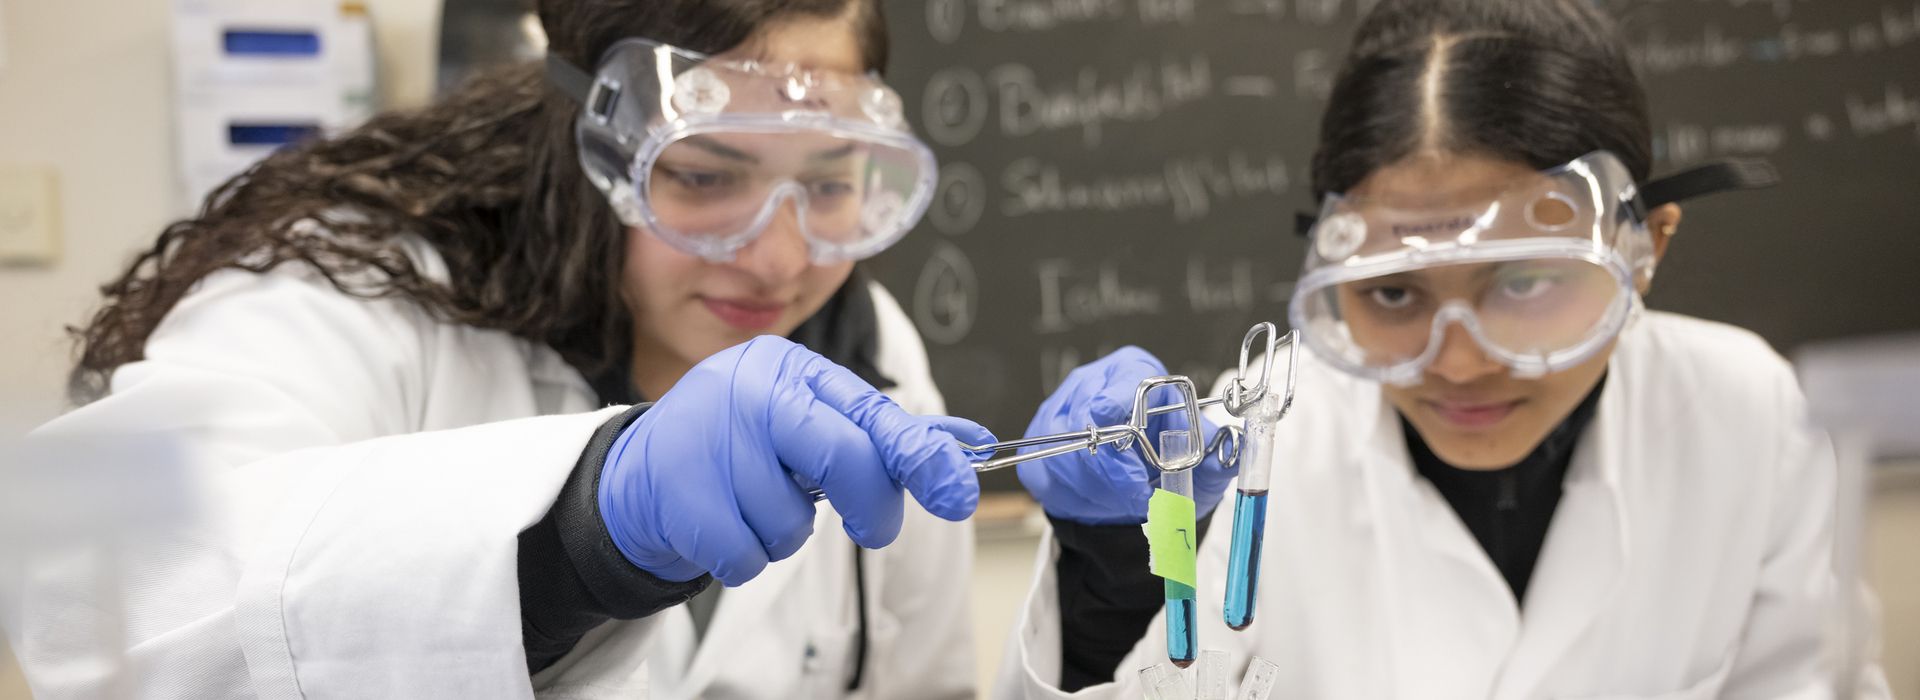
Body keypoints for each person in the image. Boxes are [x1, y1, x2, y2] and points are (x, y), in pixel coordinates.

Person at [6, 1, 988, 697]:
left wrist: (1103, 594)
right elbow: (89, 589)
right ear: (590, 146)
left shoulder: (865, 344)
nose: (779, 259)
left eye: (828, 184)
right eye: (700, 175)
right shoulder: (352, 282)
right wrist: (575, 531)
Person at [996, 0, 1892, 697]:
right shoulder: (1259, 439)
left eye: (1525, 283)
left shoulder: (1748, 412)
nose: (1457, 361)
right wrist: (1109, 576)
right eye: (1393, 292)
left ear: (1646, 245)